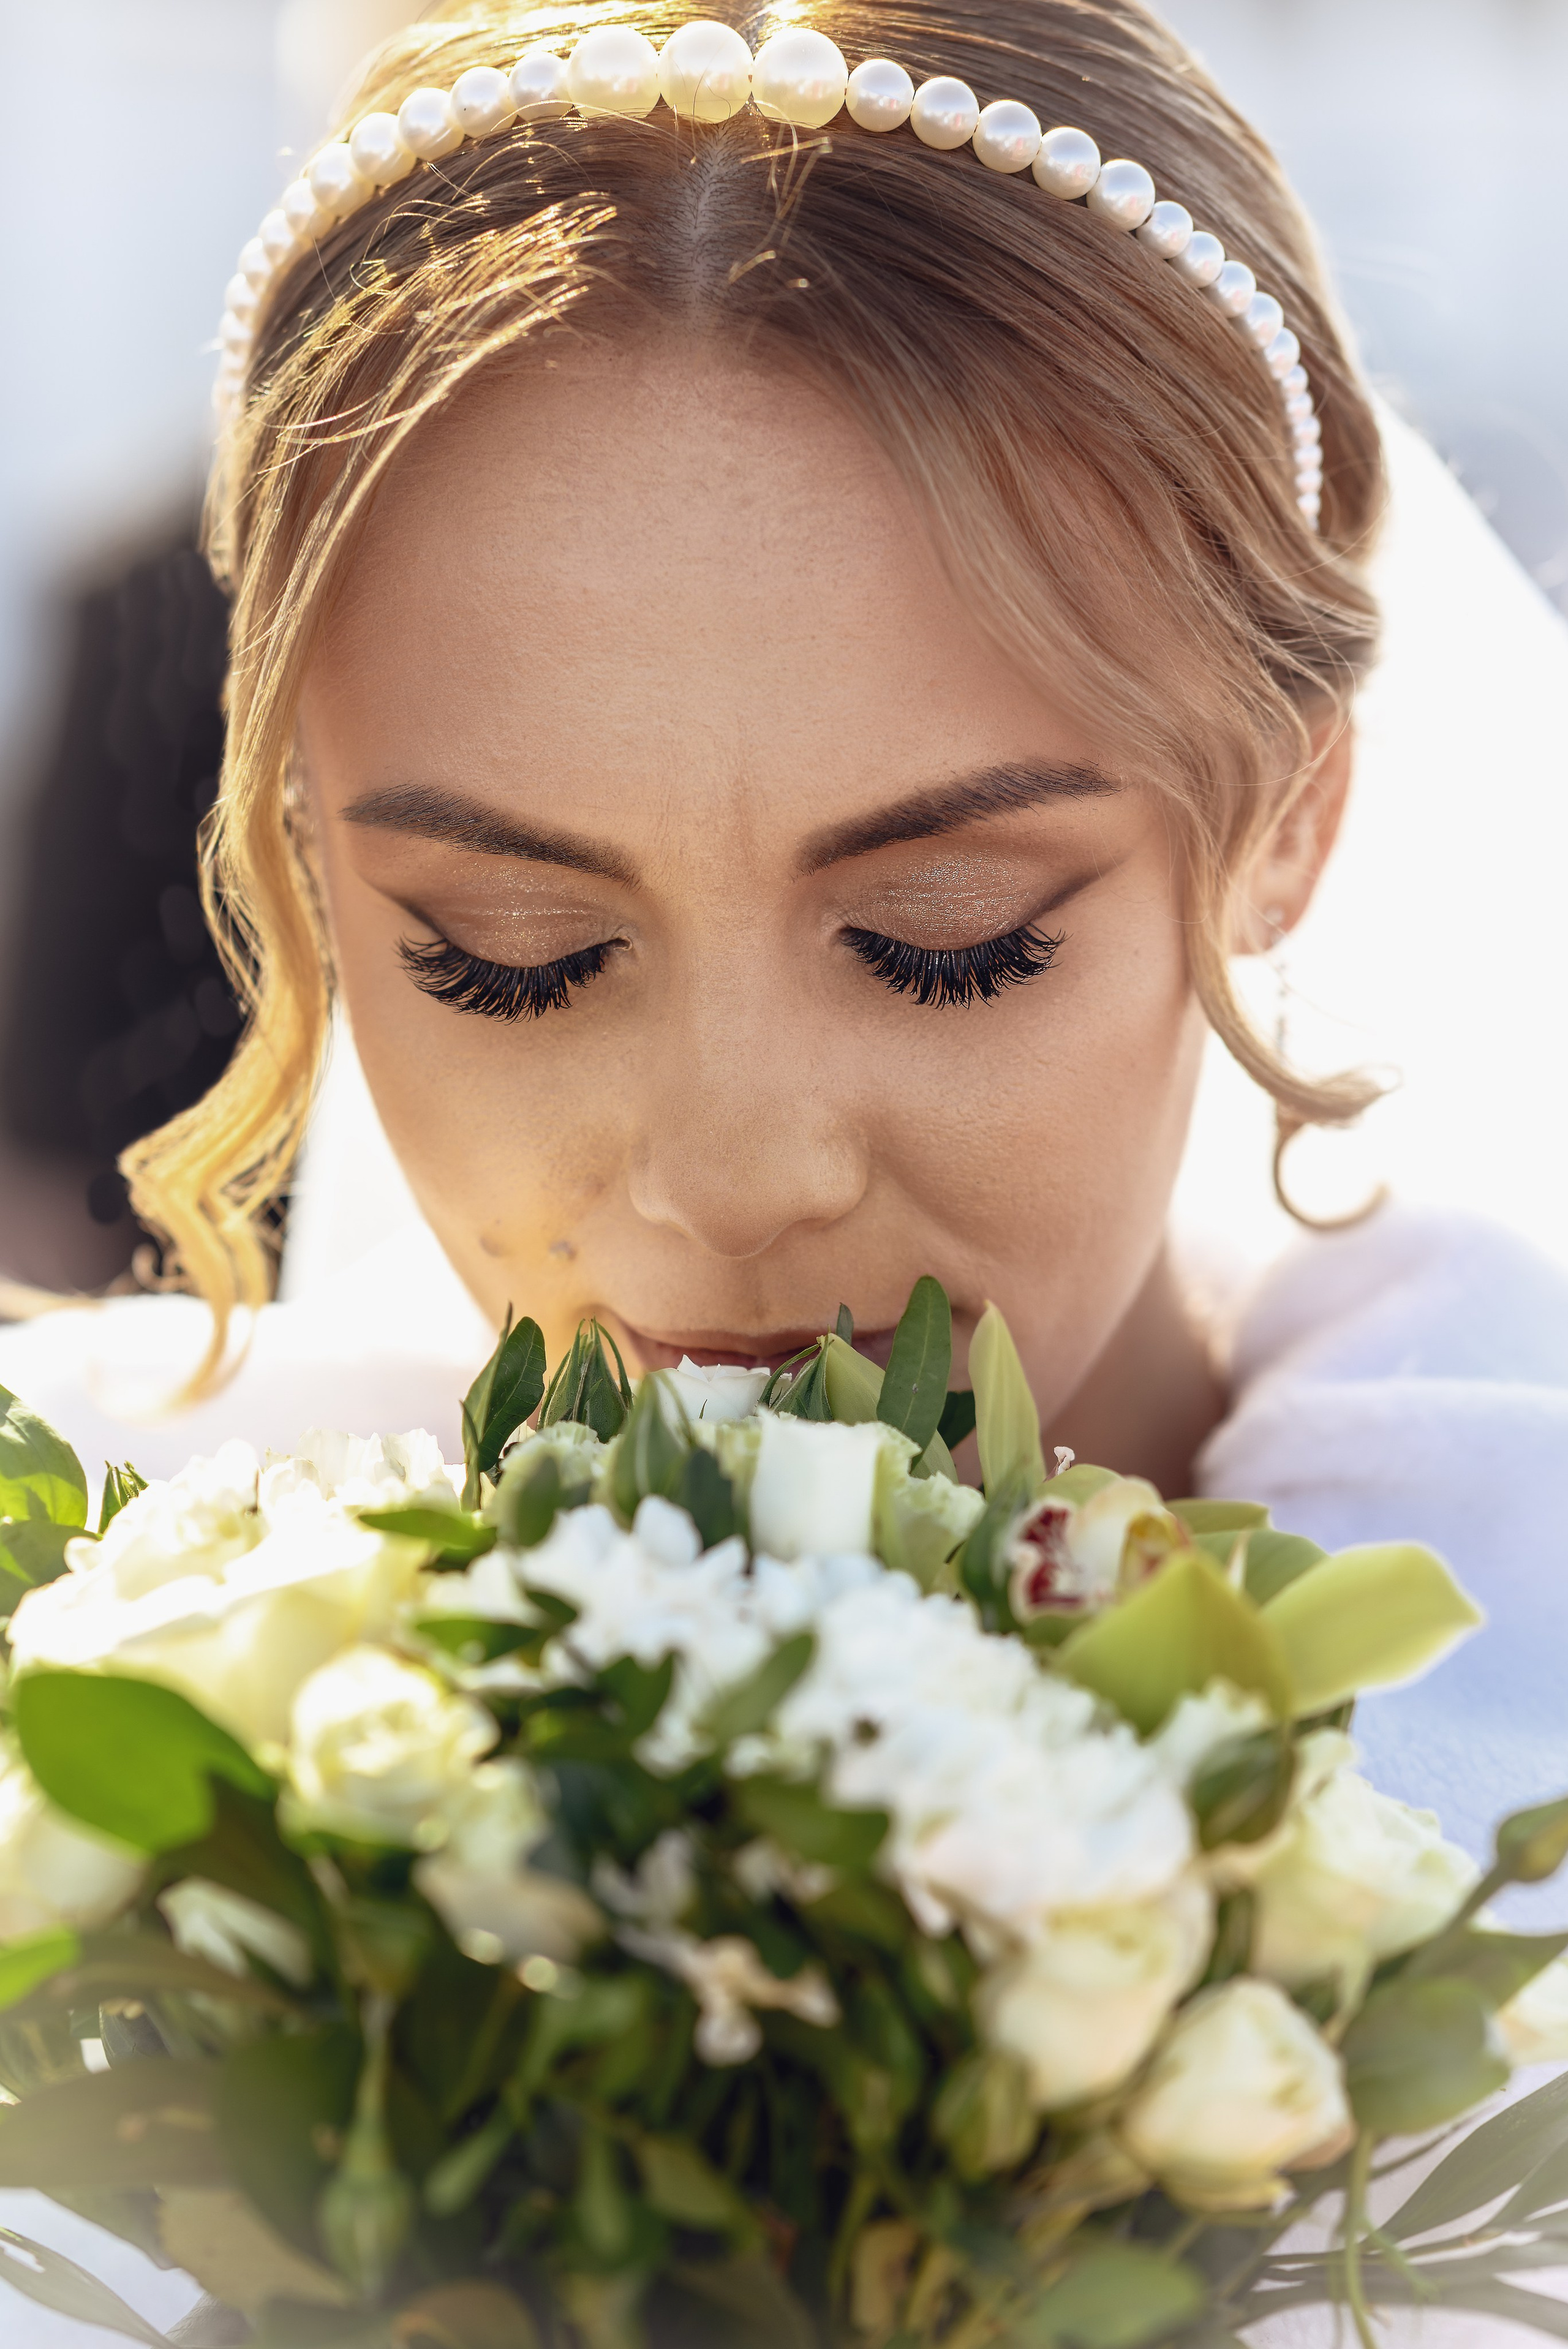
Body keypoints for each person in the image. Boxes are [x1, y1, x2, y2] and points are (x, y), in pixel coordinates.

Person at [2, 0, 1566, 1885]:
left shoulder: (1513, 1640)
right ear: (317, 857)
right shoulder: (102, 1671)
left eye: (944, 942)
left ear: (1288, 826)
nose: (733, 1181)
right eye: (512, 955)